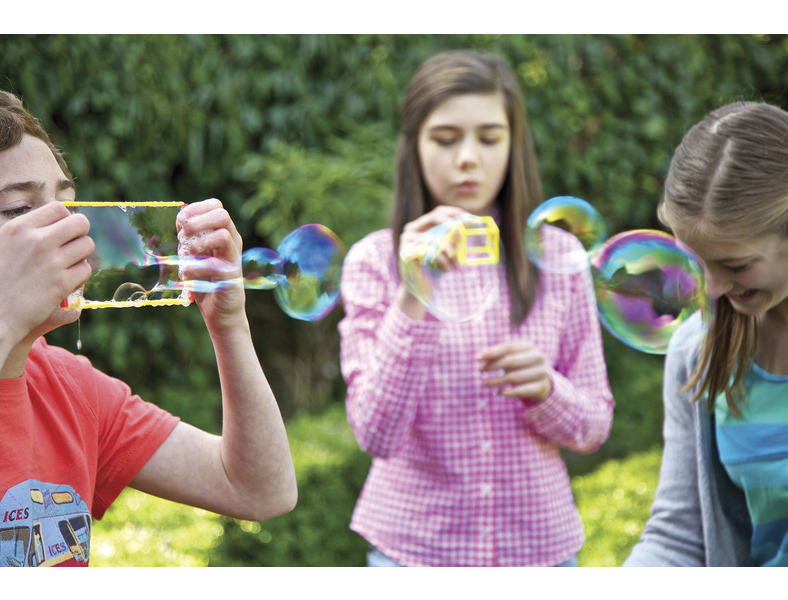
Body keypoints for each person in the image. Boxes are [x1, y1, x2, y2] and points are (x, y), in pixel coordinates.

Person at [0, 85, 297, 567]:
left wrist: (229, 326)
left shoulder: (70, 388)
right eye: (19, 210)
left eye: (69, 205)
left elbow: (260, 490)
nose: (68, 230)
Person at [337, 50, 614, 567]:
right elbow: (376, 433)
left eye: (489, 138)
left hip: (540, 554)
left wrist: (547, 389)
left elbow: (594, 425)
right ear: (414, 147)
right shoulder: (375, 262)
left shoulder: (559, 258)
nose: (468, 158)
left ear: (513, 145)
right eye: (445, 139)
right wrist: (414, 292)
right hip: (413, 556)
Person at [624, 101, 788, 567]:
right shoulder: (696, 350)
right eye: (693, 262)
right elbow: (679, 536)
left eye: (736, 265)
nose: (711, 289)